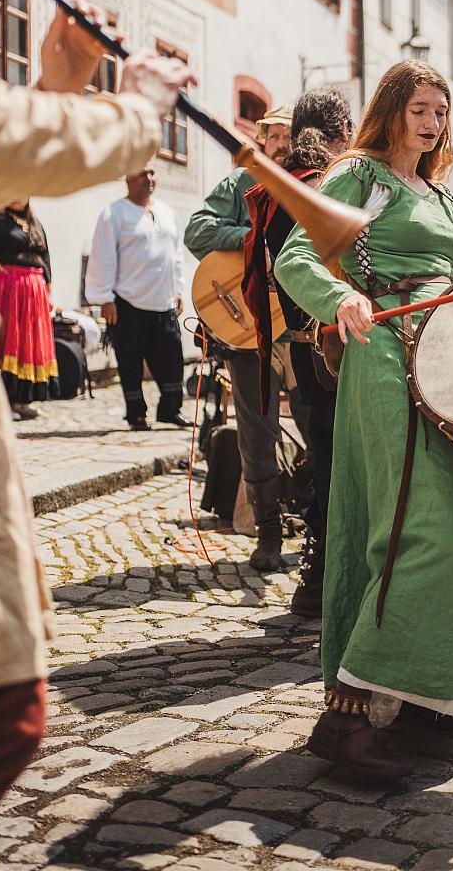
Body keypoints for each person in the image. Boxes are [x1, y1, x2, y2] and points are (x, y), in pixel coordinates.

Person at [274, 60, 453, 779]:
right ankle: (346, 714)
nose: (432, 122)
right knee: (419, 520)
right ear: (391, 110)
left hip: (452, 361)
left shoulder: (441, 197)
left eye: (440, 110)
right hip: (386, 351)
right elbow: (295, 256)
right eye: (419, 108)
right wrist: (339, 298)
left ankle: (434, 701)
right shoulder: (359, 176)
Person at [0, 0, 194, 807]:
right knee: (8, 712)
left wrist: (56, 89)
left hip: (139, 298)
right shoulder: (114, 210)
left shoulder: (160, 212)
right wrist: (135, 110)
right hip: (114, 301)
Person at [185, 97, 352, 572]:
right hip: (247, 324)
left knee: (316, 424)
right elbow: (198, 230)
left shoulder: (325, 180)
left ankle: (317, 525)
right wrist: (250, 241)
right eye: (273, 136)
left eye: (286, 135)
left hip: (299, 330)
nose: (280, 144)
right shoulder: (243, 182)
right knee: (255, 430)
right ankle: (269, 534)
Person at [241, 91, 352, 616]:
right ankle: (331, 576)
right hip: (342, 344)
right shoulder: (330, 186)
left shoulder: (279, 187)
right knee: (340, 461)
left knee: (324, 452)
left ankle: (316, 577)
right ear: (344, 134)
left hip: (305, 347)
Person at [85, 165, 188, 430]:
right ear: (128, 177)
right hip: (127, 301)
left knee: (171, 358)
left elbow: (175, 254)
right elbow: (102, 257)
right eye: (143, 173)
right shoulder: (114, 213)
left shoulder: (167, 212)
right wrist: (105, 298)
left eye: (152, 173)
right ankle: (136, 415)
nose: (149, 179)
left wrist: (177, 288)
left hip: (163, 300)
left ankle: (170, 409)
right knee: (130, 361)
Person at [0, 200, 58, 419]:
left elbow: (45, 256)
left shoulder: (35, 223)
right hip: (9, 289)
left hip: (34, 292)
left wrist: (48, 286)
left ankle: (21, 400)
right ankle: (4, 402)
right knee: (8, 341)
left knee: (27, 344)